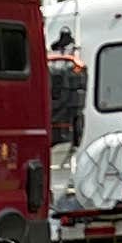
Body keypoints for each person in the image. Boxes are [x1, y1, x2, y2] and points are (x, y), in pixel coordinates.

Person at [48, 26, 88, 159]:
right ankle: (75, 142)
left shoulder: (51, 63)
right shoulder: (74, 65)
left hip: (56, 116)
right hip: (67, 117)